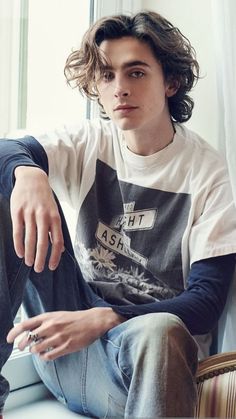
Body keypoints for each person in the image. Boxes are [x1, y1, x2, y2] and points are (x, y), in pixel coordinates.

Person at [0, 10, 236, 418]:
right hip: (65, 354)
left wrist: (105, 318)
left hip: (143, 376)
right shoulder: (91, 139)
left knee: (161, 329)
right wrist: (28, 173)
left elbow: (206, 301)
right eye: (107, 76)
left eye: (136, 73)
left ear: (171, 83)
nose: (119, 89)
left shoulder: (207, 171)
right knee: (10, 193)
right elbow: (6, 149)